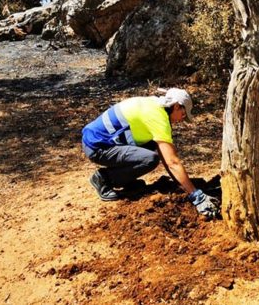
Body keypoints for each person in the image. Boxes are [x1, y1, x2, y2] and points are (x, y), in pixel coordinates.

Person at [81, 88, 220, 218]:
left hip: (101, 139)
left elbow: (167, 158)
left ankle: (126, 179)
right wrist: (196, 195)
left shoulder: (155, 105)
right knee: (149, 159)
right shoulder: (157, 117)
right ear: (176, 106)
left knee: (154, 147)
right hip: (97, 147)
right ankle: (104, 178)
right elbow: (172, 163)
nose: (182, 119)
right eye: (183, 114)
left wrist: (182, 185)